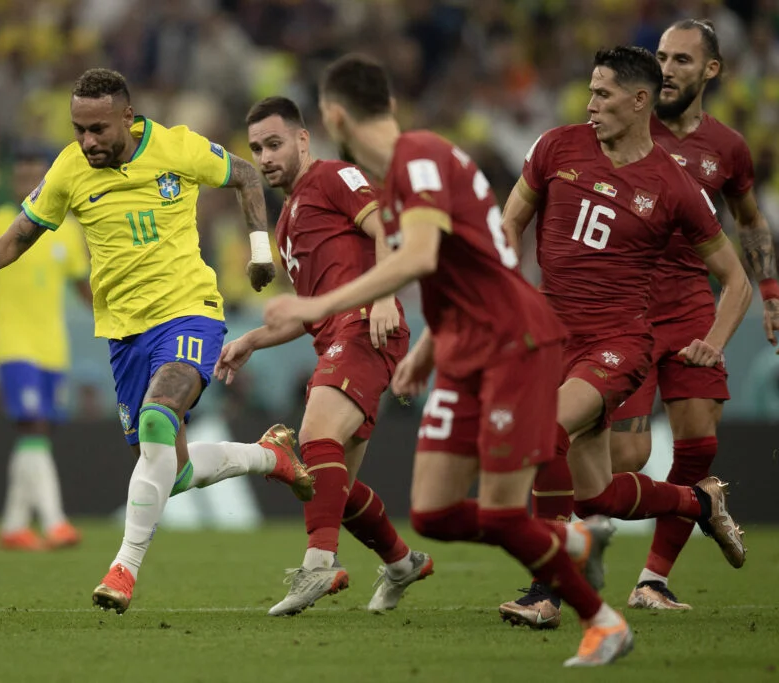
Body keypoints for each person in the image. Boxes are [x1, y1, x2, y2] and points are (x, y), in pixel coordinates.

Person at [265, 53, 632, 667]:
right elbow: (458, 269)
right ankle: (571, 537)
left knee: (500, 510)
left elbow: (422, 256)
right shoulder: (397, 183)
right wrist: (428, 350)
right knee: (433, 512)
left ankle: (602, 622)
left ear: (332, 115)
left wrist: (317, 305)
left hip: (514, 340)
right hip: (463, 344)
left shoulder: (422, 157)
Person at [0, 68, 314, 614]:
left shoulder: (177, 147)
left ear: (128, 117)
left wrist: (260, 250)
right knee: (167, 469)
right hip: (125, 335)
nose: (87, 142)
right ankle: (269, 456)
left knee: (158, 416)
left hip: (188, 312)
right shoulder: (69, 169)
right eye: (78, 129)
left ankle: (123, 569)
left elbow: (247, 175)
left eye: (98, 129)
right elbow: (17, 238)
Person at [498, 46, 751, 630]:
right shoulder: (556, 146)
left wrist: (714, 340)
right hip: (550, 339)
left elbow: (734, 278)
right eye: (589, 92)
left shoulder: (674, 184)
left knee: (544, 433)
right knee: (596, 496)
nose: (590, 105)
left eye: (603, 94)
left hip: (615, 345)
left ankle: (547, 591)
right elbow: (510, 222)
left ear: (640, 101)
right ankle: (699, 501)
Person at [217, 96, 432, 616]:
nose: (265, 157)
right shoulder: (288, 219)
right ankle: (403, 563)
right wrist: (250, 339)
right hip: (335, 331)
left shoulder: (335, 176)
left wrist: (383, 295)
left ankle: (318, 566)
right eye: (257, 149)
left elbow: (388, 227)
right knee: (333, 485)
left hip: (364, 326)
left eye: (274, 144)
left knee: (314, 440)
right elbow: (308, 314)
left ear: (303, 140)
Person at [604, 19, 779, 612]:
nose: (668, 69)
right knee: (620, 461)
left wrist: (771, 288)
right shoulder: (626, 128)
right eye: (661, 57)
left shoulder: (727, 148)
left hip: (690, 304)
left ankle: (653, 578)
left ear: (710, 71)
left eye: (682, 60)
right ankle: (696, 505)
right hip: (625, 306)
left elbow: (750, 220)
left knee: (699, 444)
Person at [0, 147, 90, 551]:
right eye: (21, 175)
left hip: (54, 348)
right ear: (11, 180)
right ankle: (55, 522)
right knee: (31, 425)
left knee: (38, 432)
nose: (28, 182)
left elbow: (85, 289)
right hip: (13, 344)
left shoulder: (66, 230)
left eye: (36, 176)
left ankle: (14, 525)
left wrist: (120, 325)